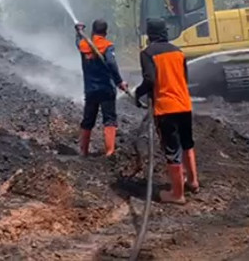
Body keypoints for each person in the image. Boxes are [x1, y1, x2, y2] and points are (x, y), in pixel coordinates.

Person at [135, 18, 198, 204]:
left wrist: (139, 93)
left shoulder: (147, 53)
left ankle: (177, 194)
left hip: (165, 108)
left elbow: (150, 80)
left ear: (150, 33)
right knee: (187, 143)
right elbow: (184, 79)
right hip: (184, 105)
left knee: (172, 150)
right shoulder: (178, 52)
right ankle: (193, 181)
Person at [75, 19, 128, 157]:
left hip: (90, 89)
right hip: (106, 88)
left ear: (93, 31)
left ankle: (83, 151)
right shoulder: (107, 45)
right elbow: (111, 62)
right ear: (106, 32)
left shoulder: (83, 45)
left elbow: (78, 44)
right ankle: (110, 152)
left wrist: (78, 33)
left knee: (88, 119)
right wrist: (119, 81)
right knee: (109, 119)